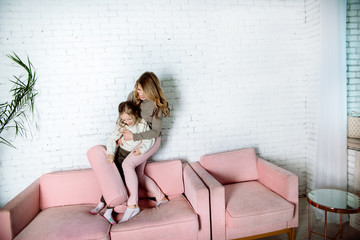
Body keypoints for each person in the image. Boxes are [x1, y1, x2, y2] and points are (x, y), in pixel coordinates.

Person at [90, 101, 155, 225]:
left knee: (118, 185)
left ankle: (107, 211)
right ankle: (101, 205)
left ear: (136, 114)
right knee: (111, 182)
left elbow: (149, 140)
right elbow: (111, 139)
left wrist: (141, 149)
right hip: (119, 156)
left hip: (129, 157)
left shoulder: (142, 125)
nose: (127, 122)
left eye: (129, 119)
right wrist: (110, 153)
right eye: (124, 120)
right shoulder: (122, 125)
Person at [118, 71, 171, 223]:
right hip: (134, 138)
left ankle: (133, 204)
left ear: (151, 90)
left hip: (151, 140)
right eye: (139, 89)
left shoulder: (157, 106)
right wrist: (121, 136)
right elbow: (124, 116)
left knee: (127, 164)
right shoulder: (133, 96)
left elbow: (155, 132)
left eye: (143, 90)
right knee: (138, 174)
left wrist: (134, 138)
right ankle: (161, 198)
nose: (139, 93)